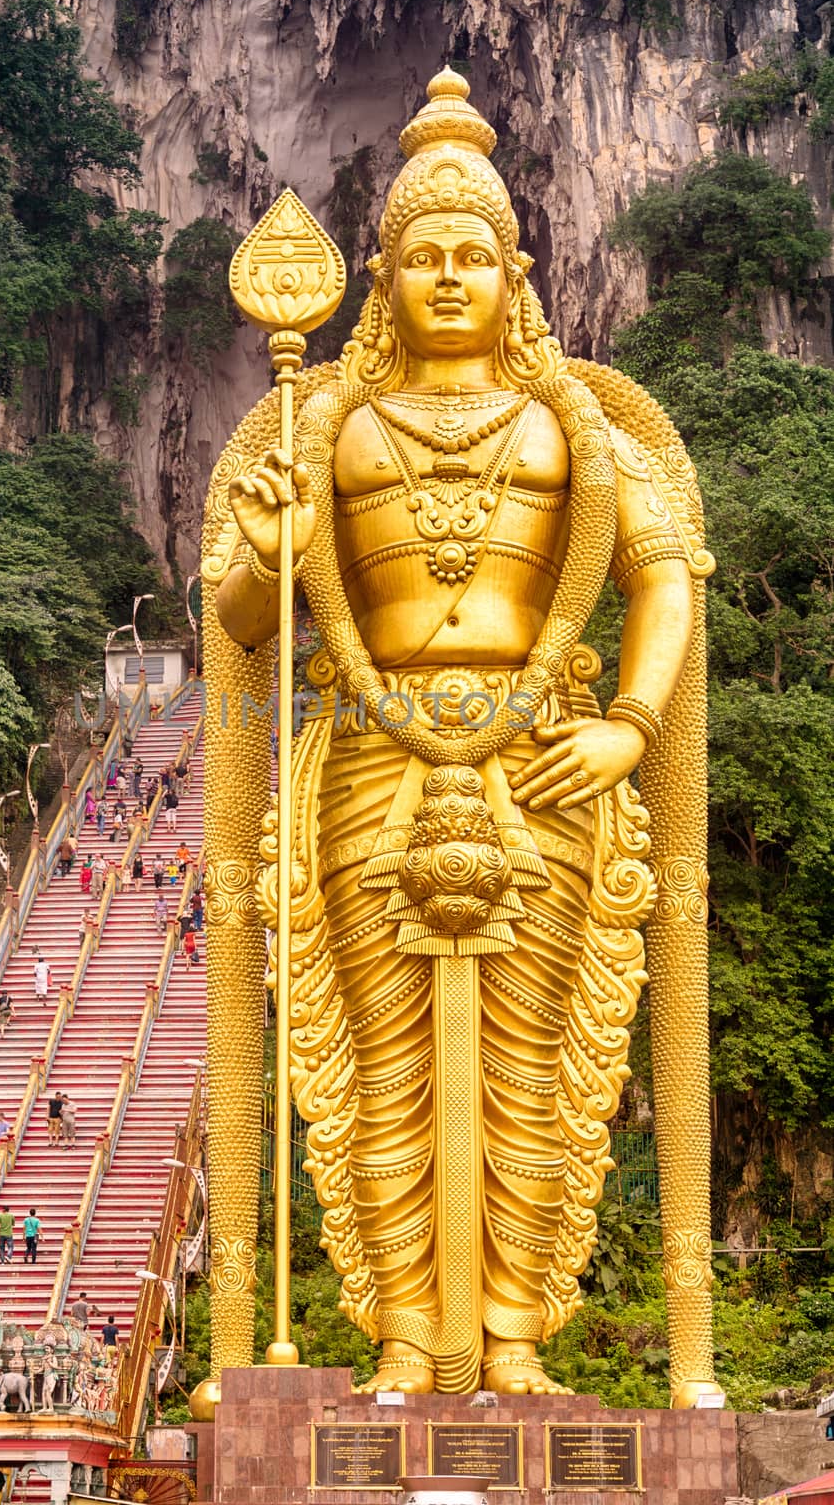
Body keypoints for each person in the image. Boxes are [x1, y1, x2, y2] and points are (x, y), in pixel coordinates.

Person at [198, 69, 717, 1405]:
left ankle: (516, 1336)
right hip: (372, 755)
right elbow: (246, 616)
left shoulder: (579, 424)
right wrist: (263, 546)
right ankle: (403, 1337)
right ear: (378, 277)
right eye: (421, 256)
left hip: (544, 750)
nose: (446, 278)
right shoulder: (324, 422)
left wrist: (630, 726)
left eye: (472, 256)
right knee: (378, 1064)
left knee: (540, 1065)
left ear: (516, 272)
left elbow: (664, 574)